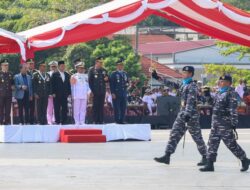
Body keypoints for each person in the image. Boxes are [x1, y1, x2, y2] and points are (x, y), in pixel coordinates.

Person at [154, 66, 207, 166]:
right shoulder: (183, 84)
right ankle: (167, 156)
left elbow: (191, 101)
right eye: (183, 72)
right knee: (174, 133)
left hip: (191, 115)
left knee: (197, 137)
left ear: (190, 74)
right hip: (182, 113)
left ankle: (205, 157)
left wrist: (187, 113)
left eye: (185, 73)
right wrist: (158, 78)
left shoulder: (192, 85)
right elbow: (171, 84)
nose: (183, 74)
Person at [200, 75, 250, 172]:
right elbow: (212, 103)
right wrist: (207, 95)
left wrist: (233, 123)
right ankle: (210, 164)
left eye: (223, 81)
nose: (220, 83)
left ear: (229, 83)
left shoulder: (231, 94)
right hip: (215, 122)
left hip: (225, 122)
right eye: (220, 81)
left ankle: (244, 159)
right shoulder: (219, 92)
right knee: (212, 143)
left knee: (230, 144)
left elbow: (233, 110)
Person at [88, 57, 109, 124]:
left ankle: (101, 120)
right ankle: (95, 120)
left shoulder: (104, 70)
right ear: (96, 62)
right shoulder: (91, 70)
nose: (101, 64)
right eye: (99, 62)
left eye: (101, 62)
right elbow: (90, 81)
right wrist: (92, 91)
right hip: (95, 91)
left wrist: (107, 79)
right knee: (95, 106)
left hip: (102, 91)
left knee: (101, 106)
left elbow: (107, 79)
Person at [51, 60, 71, 125]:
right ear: (58, 67)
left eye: (64, 66)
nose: (63, 67)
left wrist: (69, 93)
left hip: (64, 94)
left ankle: (64, 121)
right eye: (62, 66)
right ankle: (57, 121)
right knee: (57, 108)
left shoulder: (67, 74)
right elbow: (52, 84)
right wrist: (53, 92)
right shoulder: (54, 74)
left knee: (65, 108)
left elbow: (68, 84)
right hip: (56, 94)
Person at [109, 59, 129, 124]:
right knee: (117, 108)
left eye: (122, 65)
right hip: (116, 93)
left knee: (123, 107)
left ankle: (122, 120)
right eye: (119, 65)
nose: (121, 66)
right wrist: (112, 93)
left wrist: (128, 85)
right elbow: (111, 84)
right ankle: (117, 120)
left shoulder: (125, 73)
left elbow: (127, 82)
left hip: (124, 93)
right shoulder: (114, 74)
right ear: (117, 66)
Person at [0, 59, 14, 125]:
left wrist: (13, 86)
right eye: (5, 65)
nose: (6, 66)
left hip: (9, 94)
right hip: (1, 94)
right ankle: (1, 122)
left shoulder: (10, 74)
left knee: (8, 109)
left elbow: (13, 83)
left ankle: (7, 121)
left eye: (7, 65)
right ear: (1, 66)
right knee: (1, 109)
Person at [26, 59, 37, 124]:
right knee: (27, 107)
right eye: (29, 63)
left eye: (32, 63)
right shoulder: (24, 72)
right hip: (27, 93)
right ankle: (27, 121)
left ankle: (32, 121)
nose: (31, 65)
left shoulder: (36, 72)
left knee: (33, 108)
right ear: (27, 64)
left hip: (35, 93)